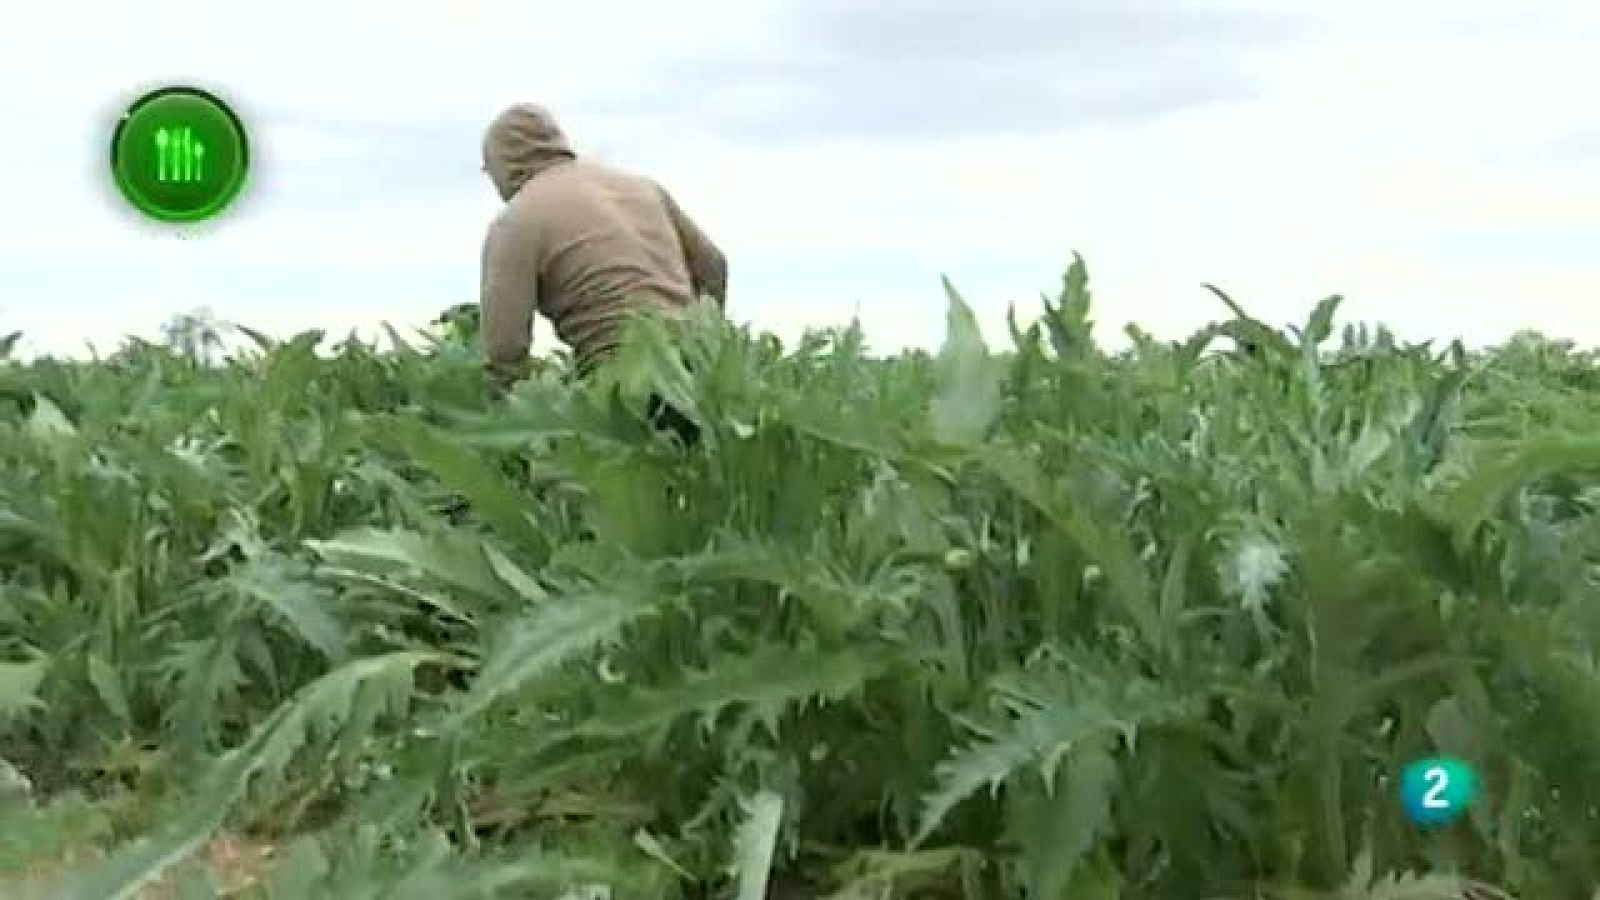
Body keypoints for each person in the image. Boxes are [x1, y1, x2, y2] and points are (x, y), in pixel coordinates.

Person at [477, 102, 727, 446]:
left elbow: (505, 347)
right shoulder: (641, 188)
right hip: (693, 376)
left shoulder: (518, 220)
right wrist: (700, 345)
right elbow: (713, 267)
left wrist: (508, 426)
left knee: (577, 486)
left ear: (503, 165)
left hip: (621, 386)